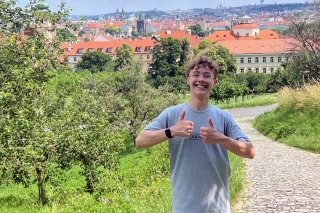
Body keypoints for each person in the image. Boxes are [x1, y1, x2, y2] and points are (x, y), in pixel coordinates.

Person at [135, 56, 255, 213]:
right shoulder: (171, 114)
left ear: (215, 82)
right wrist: (171, 131)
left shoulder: (223, 117)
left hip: (217, 207)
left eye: (207, 75)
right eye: (196, 74)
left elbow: (250, 151)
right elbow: (140, 141)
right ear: (187, 79)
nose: (201, 79)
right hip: (183, 206)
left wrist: (220, 138)